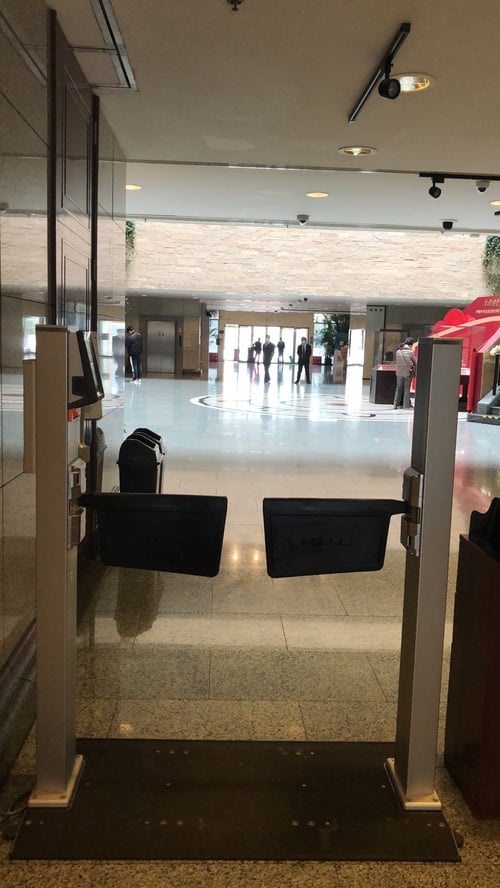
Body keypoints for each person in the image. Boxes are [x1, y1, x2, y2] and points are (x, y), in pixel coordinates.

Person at [393, 338, 417, 409]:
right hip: (407, 372)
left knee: (398, 389)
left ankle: (395, 404)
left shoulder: (398, 351)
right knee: (406, 389)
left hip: (399, 372)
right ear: (410, 344)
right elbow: (415, 362)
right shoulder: (410, 352)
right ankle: (405, 406)